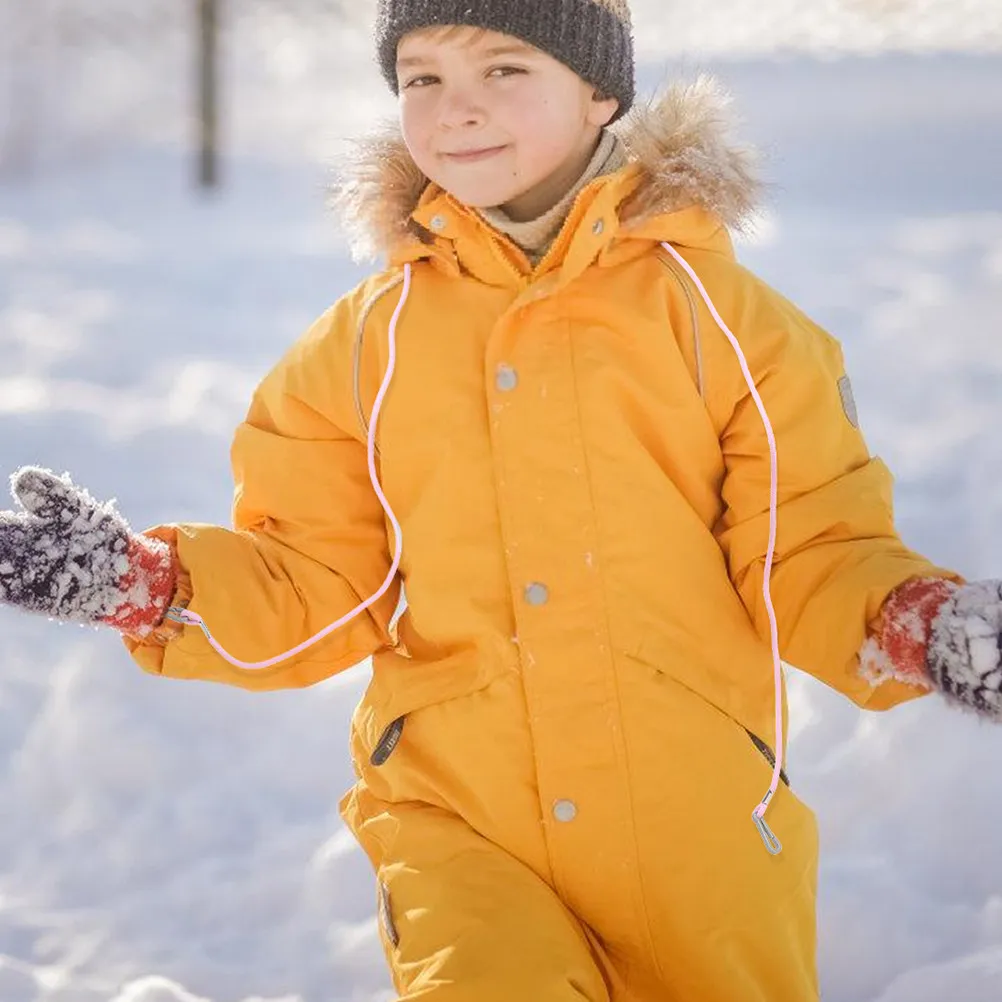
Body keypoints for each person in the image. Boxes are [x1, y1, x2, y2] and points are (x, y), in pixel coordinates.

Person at [1, 1, 999, 998]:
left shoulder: (730, 327)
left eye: (504, 70)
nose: (456, 108)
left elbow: (810, 549)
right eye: (423, 78)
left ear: (600, 91)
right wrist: (146, 584)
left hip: (693, 826)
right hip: (458, 820)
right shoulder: (365, 347)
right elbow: (319, 580)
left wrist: (922, 625)